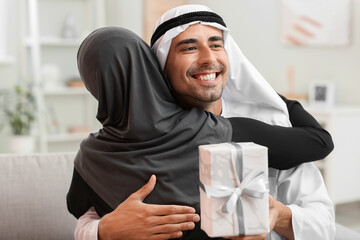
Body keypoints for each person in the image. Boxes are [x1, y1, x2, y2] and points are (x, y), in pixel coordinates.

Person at [67, 5, 335, 240]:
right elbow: (87, 221)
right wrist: (104, 230)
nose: (208, 58)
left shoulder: (269, 120)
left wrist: (281, 215)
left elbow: (324, 224)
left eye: (217, 45)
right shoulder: (220, 131)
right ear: (156, 68)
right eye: (190, 48)